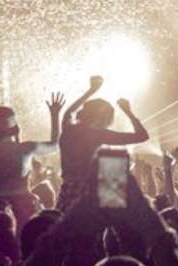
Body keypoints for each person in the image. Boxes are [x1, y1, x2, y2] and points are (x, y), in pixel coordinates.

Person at [0, 92, 66, 232]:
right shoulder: (26, 148)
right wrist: (55, 115)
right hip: (24, 206)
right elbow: (55, 145)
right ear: (15, 127)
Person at [56, 76, 149, 212]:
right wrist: (128, 112)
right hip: (86, 194)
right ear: (101, 117)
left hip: (66, 190)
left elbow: (69, 111)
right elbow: (142, 136)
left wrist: (91, 91)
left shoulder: (68, 128)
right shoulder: (97, 135)